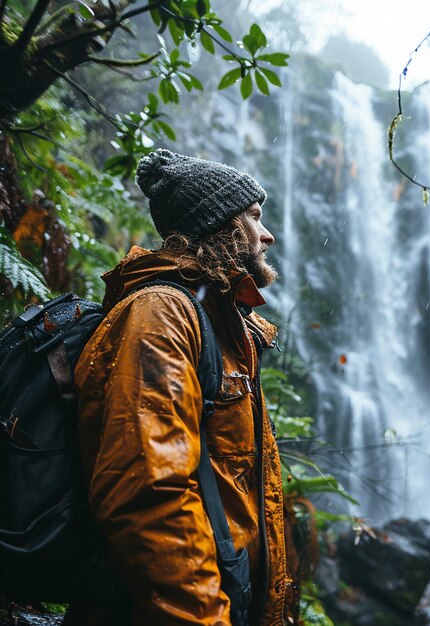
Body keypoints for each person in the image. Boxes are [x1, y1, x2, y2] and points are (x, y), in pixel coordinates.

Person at [72, 149, 291, 626]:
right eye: (254, 217)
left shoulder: (223, 324)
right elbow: (150, 493)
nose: (268, 234)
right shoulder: (162, 314)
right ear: (221, 225)